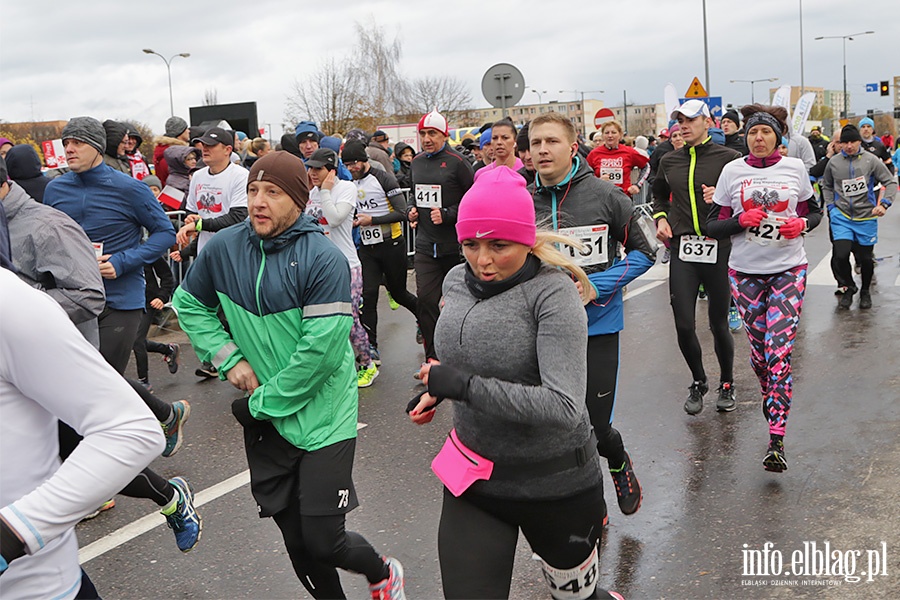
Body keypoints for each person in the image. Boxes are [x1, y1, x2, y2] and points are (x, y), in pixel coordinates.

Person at [173, 151, 406, 599]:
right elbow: (189, 305)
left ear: (298, 201)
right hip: (270, 418)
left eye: (273, 193)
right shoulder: (224, 249)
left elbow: (318, 355)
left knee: (325, 539)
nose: (259, 201)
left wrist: (259, 404)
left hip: (323, 416)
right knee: (299, 546)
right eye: (254, 190)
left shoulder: (322, 259)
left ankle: (381, 572)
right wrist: (229, 358)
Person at [408, 166, 624, 600]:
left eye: (498, 245)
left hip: (554, 485)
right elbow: (466, 359)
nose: (481, 260)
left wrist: (464, 386)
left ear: (526, 240)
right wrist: (439, 387)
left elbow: (563, 408)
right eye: (470, 244)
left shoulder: (553, 294)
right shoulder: (456, 279)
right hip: (474, 479)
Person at [0, 269, 165, 600]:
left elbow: (128, 428)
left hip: (34, 590)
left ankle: (170, 492)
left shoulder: (9, 301)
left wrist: (12, 532)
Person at [530, 112, 656, 520]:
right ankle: (590, 501)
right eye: (535, 143)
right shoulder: (521, 201)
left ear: (573, 146)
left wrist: (597, 285)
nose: (543, 150)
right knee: (559, 427)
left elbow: (644, 253)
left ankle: (617, 460)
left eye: (552, 141)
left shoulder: (606, 195)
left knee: (595, 427)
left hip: (598, 324)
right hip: (544, 329)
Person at [706, 104, 823, 472]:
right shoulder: (731, 172)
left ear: (777, 137)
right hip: (745, 273)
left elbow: (814, 212)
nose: (758, 138)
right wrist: (740, 220)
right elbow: (713, 226)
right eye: (753, 133)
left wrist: (801, 225)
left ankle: (776, 439)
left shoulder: (795, 169)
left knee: (778, 352)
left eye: (765, 132)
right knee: (760, 357)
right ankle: (770, 392)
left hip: (789, 269)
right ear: (746, 137)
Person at [651, 100, 742, 415]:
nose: (683, 125)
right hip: (684, 249)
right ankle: (699, 380)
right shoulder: (669, 160)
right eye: (679, 120)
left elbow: (744, 200)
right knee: (684, 325)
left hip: (718, 247)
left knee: (718, 323)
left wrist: (722, 195)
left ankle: (727, 382)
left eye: (690, 119)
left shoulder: (730, 159)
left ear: (707, 121)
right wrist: (661, 218)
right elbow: (659, 194)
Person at [305, 147, 380, 387]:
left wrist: (325, 192)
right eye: (310, 167)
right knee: (318, 319)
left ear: (331, 171)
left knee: (348, 319)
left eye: (318, 168)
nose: (312, 172)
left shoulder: (345, 189)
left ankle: (367, 364)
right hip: (318, 267)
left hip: (346, 265)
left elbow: (336, 218)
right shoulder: (311, 192)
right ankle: (333, 365)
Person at [408, 109, 475, 366]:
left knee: (457, 303)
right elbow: (415, 195)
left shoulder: (457, 162)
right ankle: (433, 358)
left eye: (432, 133)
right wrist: (411, 211)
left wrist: (448, 214)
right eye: (423, 134)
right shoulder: (416, 162)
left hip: (453, 246)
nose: (426, 138)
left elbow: (472, 201)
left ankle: (460, 353)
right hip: (425, 244)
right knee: (426, 300)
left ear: (444, 135)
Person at [342, 140, 418, 366]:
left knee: (399, 293)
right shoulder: (349, 184)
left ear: (363, 160)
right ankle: (371, 346)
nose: (351, 168)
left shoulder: (383, 178)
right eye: (347, 164)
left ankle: (425, 319)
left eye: (354, 163)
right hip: (368, 247)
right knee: (369, 294)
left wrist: (372, 220)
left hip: (392, 244)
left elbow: (403, 212)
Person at [822, 124, 896, 309]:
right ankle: (849, 287)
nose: (849, 146)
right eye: (845, 142)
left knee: (865, 259)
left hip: (866, 216)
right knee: (840, 255)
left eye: (852, 142)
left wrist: (884, 204)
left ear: (859, 142)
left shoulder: (871, 160)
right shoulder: (835, 162)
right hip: (842, 215)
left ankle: (864, 292)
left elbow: (890, 182)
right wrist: (831, 207)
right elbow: (827, 185)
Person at [587, 120, 651, 198]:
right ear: (603, 136)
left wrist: (637, 185)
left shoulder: (629, 152)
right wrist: (598, 181)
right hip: (601, 198)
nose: (610, 136)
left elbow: (646, 166)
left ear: (620, 135)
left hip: (623, 197)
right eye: (607, 133)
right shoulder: (594, 154)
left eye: (614, 132)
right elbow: (586, 175)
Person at [154, 116, 191, 186]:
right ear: (180, 132)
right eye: (186, 128)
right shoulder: (172, 154)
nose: (189, 131)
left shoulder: (164, 150)